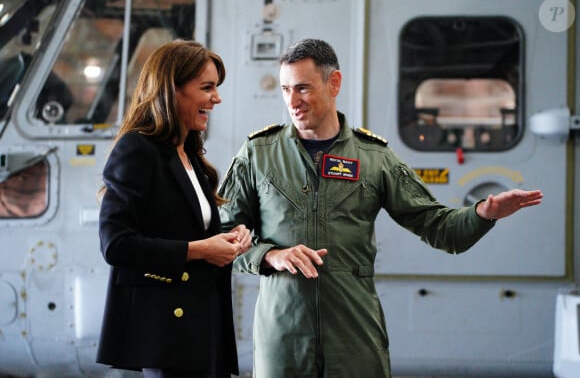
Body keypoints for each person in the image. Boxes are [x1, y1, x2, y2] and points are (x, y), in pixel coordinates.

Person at [217, 38, 543, 378]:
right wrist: (270, 255)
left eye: (303, 88)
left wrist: (482, 214)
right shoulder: (259, 154)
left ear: (334, 83)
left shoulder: (373, 158)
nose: (293, 102)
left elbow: (438, 227)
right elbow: (223, 239)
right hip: (282, 338)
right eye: (286, 89)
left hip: (353, 337)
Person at [97, 39, 251, 378]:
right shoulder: (137, 149)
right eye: (207, 88)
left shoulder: (191, 157)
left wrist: (229, 239)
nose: (217, 98)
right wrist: (199, 250)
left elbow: (183, 230)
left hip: (203, 326)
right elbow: (116, 245)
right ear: (172, 91)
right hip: (167, 332)